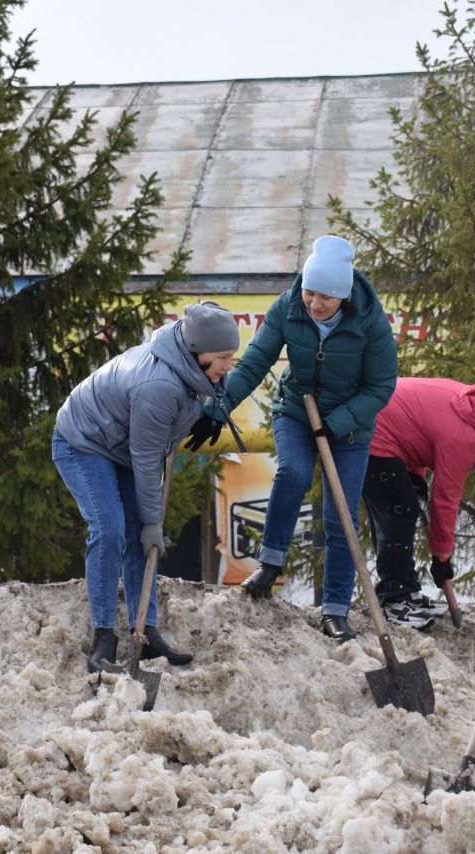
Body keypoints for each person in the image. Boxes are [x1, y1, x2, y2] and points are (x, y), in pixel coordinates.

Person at [188, 235, 397, 642]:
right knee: (293, 472)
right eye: (310, 292)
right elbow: (253, 363)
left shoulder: (370, 322)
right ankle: (270, 564)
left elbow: (382, 386)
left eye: (326, 298)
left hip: (349, 427)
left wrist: (335, 424)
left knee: (340, 512)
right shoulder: (289, 306)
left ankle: (335, 610)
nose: (315, 304)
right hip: (297, 409)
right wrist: (218, 408)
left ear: (345, 295)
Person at [53, 301, 241, 672]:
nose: (228, 366)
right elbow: (145, 460)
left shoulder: (199, 371)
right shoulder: (159, 384)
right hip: (83, 442)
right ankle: (103, 637)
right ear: (197, 351)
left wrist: (214, 411)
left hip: (121, 444)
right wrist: (154, 523)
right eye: (222, 357)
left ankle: (146, 630)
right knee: (109, 530)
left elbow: (150, 449)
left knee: (140, 531)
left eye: (230, 356)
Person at [364, 379, 475, 626]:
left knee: (404, 506)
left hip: (385, 428)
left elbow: (418, 430)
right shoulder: (465, 436)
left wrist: (414, 474)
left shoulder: (474, 407)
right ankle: (395, 597)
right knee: (399, 511)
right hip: (372, 433)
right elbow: (445, 499)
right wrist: (442, 557)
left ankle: (407, 591)